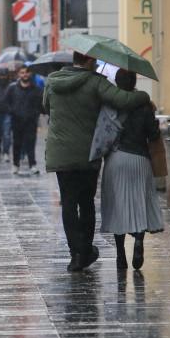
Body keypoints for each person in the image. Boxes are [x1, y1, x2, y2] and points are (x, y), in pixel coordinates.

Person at [43, 51, 150, 272]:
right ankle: (85, 250)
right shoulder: (95, 82)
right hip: (87, 153)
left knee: (68, 203)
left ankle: (75, 256)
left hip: (60, 153)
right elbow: (124, 99)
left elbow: (46, 107)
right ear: (90, 61)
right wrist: (145, 97)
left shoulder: (52, 81)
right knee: (86, 203)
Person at [99, 69, 163, 270]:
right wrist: (154, 121)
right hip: (139, 160)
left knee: (118, 206)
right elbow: (153, 136)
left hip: (115, 160)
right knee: (139, 203)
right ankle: (138, 241)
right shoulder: (144, 105)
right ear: (135, 82)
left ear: (116, 83)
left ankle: (120, 255)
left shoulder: (109, 104)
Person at [5, 65, 44, 175]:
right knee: (17, 143)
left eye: (26, 73)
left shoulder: (36, 89)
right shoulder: (12, 88)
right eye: (22, 73)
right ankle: (16, 164)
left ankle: (32, 164)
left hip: (31, 121)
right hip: (16, 121)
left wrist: (36, 112)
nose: (24, 75)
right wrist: (12, 111)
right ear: (18, 74)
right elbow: (6, 102)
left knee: (31, 143)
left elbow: (41, 104)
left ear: (30, 74)